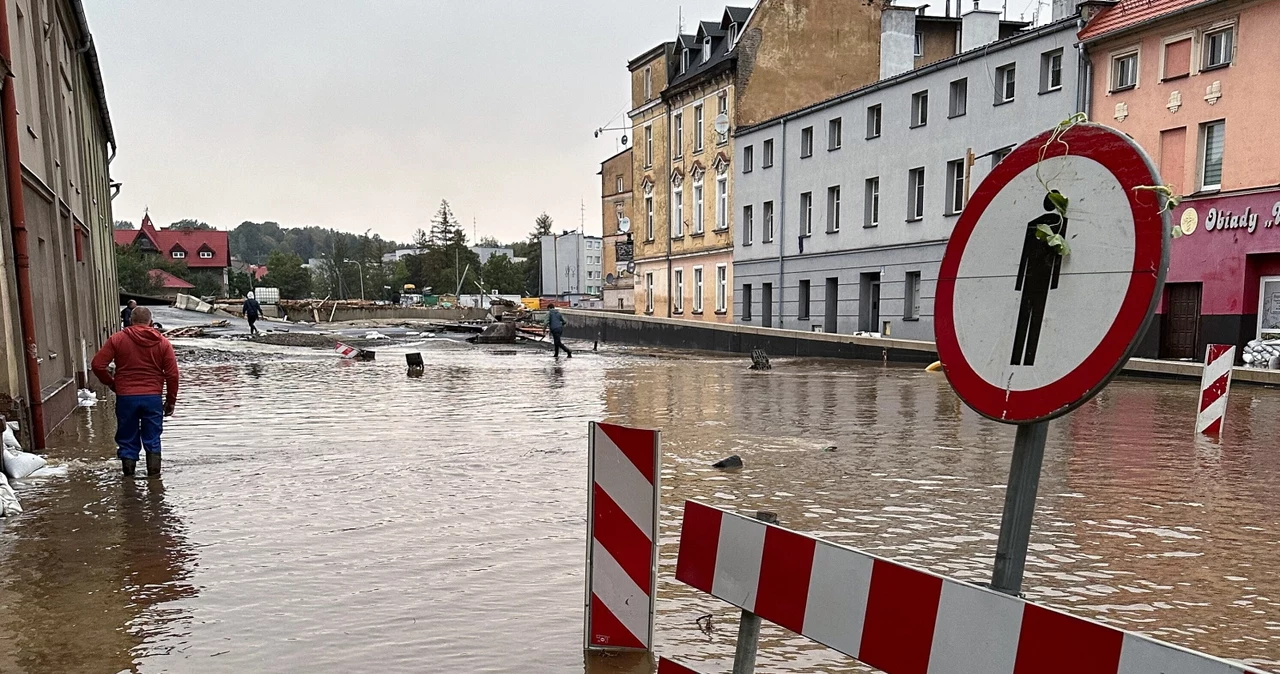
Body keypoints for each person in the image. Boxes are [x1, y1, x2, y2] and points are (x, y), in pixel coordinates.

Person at [91, 306, 180, 477]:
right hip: (152, 398)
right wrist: (170, 401)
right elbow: (172, 375)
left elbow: (97, 365)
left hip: (126, 397)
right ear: (151, 322)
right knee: (153, 438)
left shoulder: (117, 339)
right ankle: (154, 481)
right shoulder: (163, 343)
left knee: (127, 439)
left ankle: (129, 480)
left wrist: (112, 384)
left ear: (130, 321)